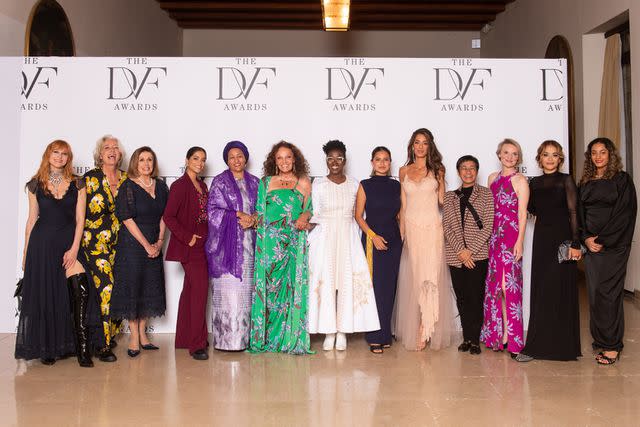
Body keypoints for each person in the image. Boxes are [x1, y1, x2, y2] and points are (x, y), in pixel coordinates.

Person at [15, 140, 93, 367]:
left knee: (81, 290)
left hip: (69, 244)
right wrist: (25, 254)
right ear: (48, 155)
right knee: (46, 295)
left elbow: (81, 220)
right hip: (42, 246)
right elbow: (31, 221)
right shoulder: (34, 185)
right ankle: (47, 348)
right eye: (55, 152)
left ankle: (83, 350)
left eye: (64, 154)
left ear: (69, 158)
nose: (60, 157)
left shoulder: (78, 184)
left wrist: (74, 248)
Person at [308, 140, 379, 351]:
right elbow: (314, 213)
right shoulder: (318, 184)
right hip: (325, 236)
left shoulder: (355, 184)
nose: (335, 162)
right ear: (326, 161)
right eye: (330, 158)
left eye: (339, 158)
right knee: (327, 282)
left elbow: (360, 215)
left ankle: (343, 331)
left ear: (345, 160)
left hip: (347, 237)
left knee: (346, 282)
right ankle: (329, 331)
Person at [516, 141, 582, 362]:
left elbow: (574, 212)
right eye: (546, 155)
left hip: (563, 240)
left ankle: (563, 347)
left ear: (560, 158)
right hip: (542, 239)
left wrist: (575, 243)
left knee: (560, 289)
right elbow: (530, 208)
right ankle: (538, 344)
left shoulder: (566, 180)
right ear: (539, 158)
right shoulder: (533, 183)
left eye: (555, 155)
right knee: (542, 290)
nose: (550, 159)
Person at [248, 141, 313, 354]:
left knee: (290, 291)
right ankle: (267, 339)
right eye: (279, 158)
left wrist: (305, 215)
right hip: (269, 245)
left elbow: (309, 209)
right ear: (274, 161)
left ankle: (289, 339)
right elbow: (259, 212)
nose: (284, 161)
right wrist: (250, 220)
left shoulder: (303, 182)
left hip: (293, 244)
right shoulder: (265, 182)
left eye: (288, 157)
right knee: (269, 291)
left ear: (294, 159)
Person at [394, 128, 454, 351]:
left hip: (432, 229)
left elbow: (442, 203)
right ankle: (421, 322)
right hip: (411, 229)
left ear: (430, 146)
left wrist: (443, 185)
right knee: (415, 279)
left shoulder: (437, 170)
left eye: (424, 142)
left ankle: (425, 327)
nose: (420, 146)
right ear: (411, 146)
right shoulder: (403, 171)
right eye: (416, 142)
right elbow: (403, 205)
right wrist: (402, 233)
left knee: (430, 278)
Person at [579, 137, 637, 365]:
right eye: (594, 153)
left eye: (603, 152)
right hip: (593, 247)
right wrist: (586, 238)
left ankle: (612, 346)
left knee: (609, 294)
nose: (598, 157)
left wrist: (602, 239)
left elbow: (625, 214)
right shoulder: (585, 181)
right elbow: (580, 214)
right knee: (594, 294)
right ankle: (601, 340)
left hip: (614, 246)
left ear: (611, 154)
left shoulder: (622, 180)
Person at [111, 147, 168, 358]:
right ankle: (134, 336)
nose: (146, 164)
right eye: (142, 160)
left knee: (148, 287)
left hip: (155, 241)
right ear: (135, 163)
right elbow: (126, 219)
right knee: (133, 288)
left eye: (150, 160)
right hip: (133, 245)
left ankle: (144, 335)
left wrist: (160, 241)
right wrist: (146, 245)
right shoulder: (128, 186)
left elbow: (166, 216)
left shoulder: (161, 187)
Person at [205, 141, 259, 352]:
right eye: (231, 157)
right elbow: (212, 212)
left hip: (250, 245)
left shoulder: (255, 182)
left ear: (245, 158)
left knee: (247, 294)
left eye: (240, 156)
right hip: (226, 250)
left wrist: (253, 219)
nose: (236, 160)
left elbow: (262, 210)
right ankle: (227, 341)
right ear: (227, 160)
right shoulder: (219, 182)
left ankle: (246, 340)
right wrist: (237, 215)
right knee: (229, 294)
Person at [480, 139, 529, 356]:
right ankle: (499, 335)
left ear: (518, 158)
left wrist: (519, 242)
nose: (510, 157)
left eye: (514, 154)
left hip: (510, 239)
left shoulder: (521, 181)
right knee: (495, 290)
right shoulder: (492, 178)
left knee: (509, 289)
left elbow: (522, 215)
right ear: (499, 154)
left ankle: (514, 339)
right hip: (493, 239)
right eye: (506, 152)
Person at [81, 135, 127, 363]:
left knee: (117, 289)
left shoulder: (127, 178)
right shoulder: (88, 180)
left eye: (115, 148)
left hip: (121, 244)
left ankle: (110, 334)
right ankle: (102, 344)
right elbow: (77, 215)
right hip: (94, 243)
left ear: (120, 154)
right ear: (100, 154)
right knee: (105, 290)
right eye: (107, 148)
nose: (111, 151)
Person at [443, 155, 494, 355]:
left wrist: (469, 251)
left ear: (477, 171)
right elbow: (447, 227)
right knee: (462, 297)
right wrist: (461, 252)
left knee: (476, 296)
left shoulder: (486, 194)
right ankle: (466, 337)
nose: (468, 171)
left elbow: (488, 225)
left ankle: (475, 339)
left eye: (472, 167)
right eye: (464, 168)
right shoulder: (450, 196)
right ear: (458, 171)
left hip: (478, 255)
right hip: (456, 256)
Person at [164, 147, 210, 360]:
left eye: (203, 160)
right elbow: (169, 217)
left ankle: (183, 338)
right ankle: (197, 345)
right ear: (187, 160)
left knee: (191, 291)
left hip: (203, 245)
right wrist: (188, 237)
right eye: (195, 158)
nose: (199, 163)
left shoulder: (202, 185)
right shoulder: (179, 186)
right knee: (200, 291)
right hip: (189, 246)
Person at [355, 146, 402, 354]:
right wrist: (373, 237)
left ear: (390, 162)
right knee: (375, 288)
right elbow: (358, 216)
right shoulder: (365, 185)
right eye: (378, 159)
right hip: (373, 240)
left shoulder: (396, 186)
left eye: (386, 159)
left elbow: (401, 214)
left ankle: (385, 333)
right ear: (372, 162)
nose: (382, 163)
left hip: (393, 240)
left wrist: (402, 237)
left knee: (389, 288)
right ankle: (375, 336)